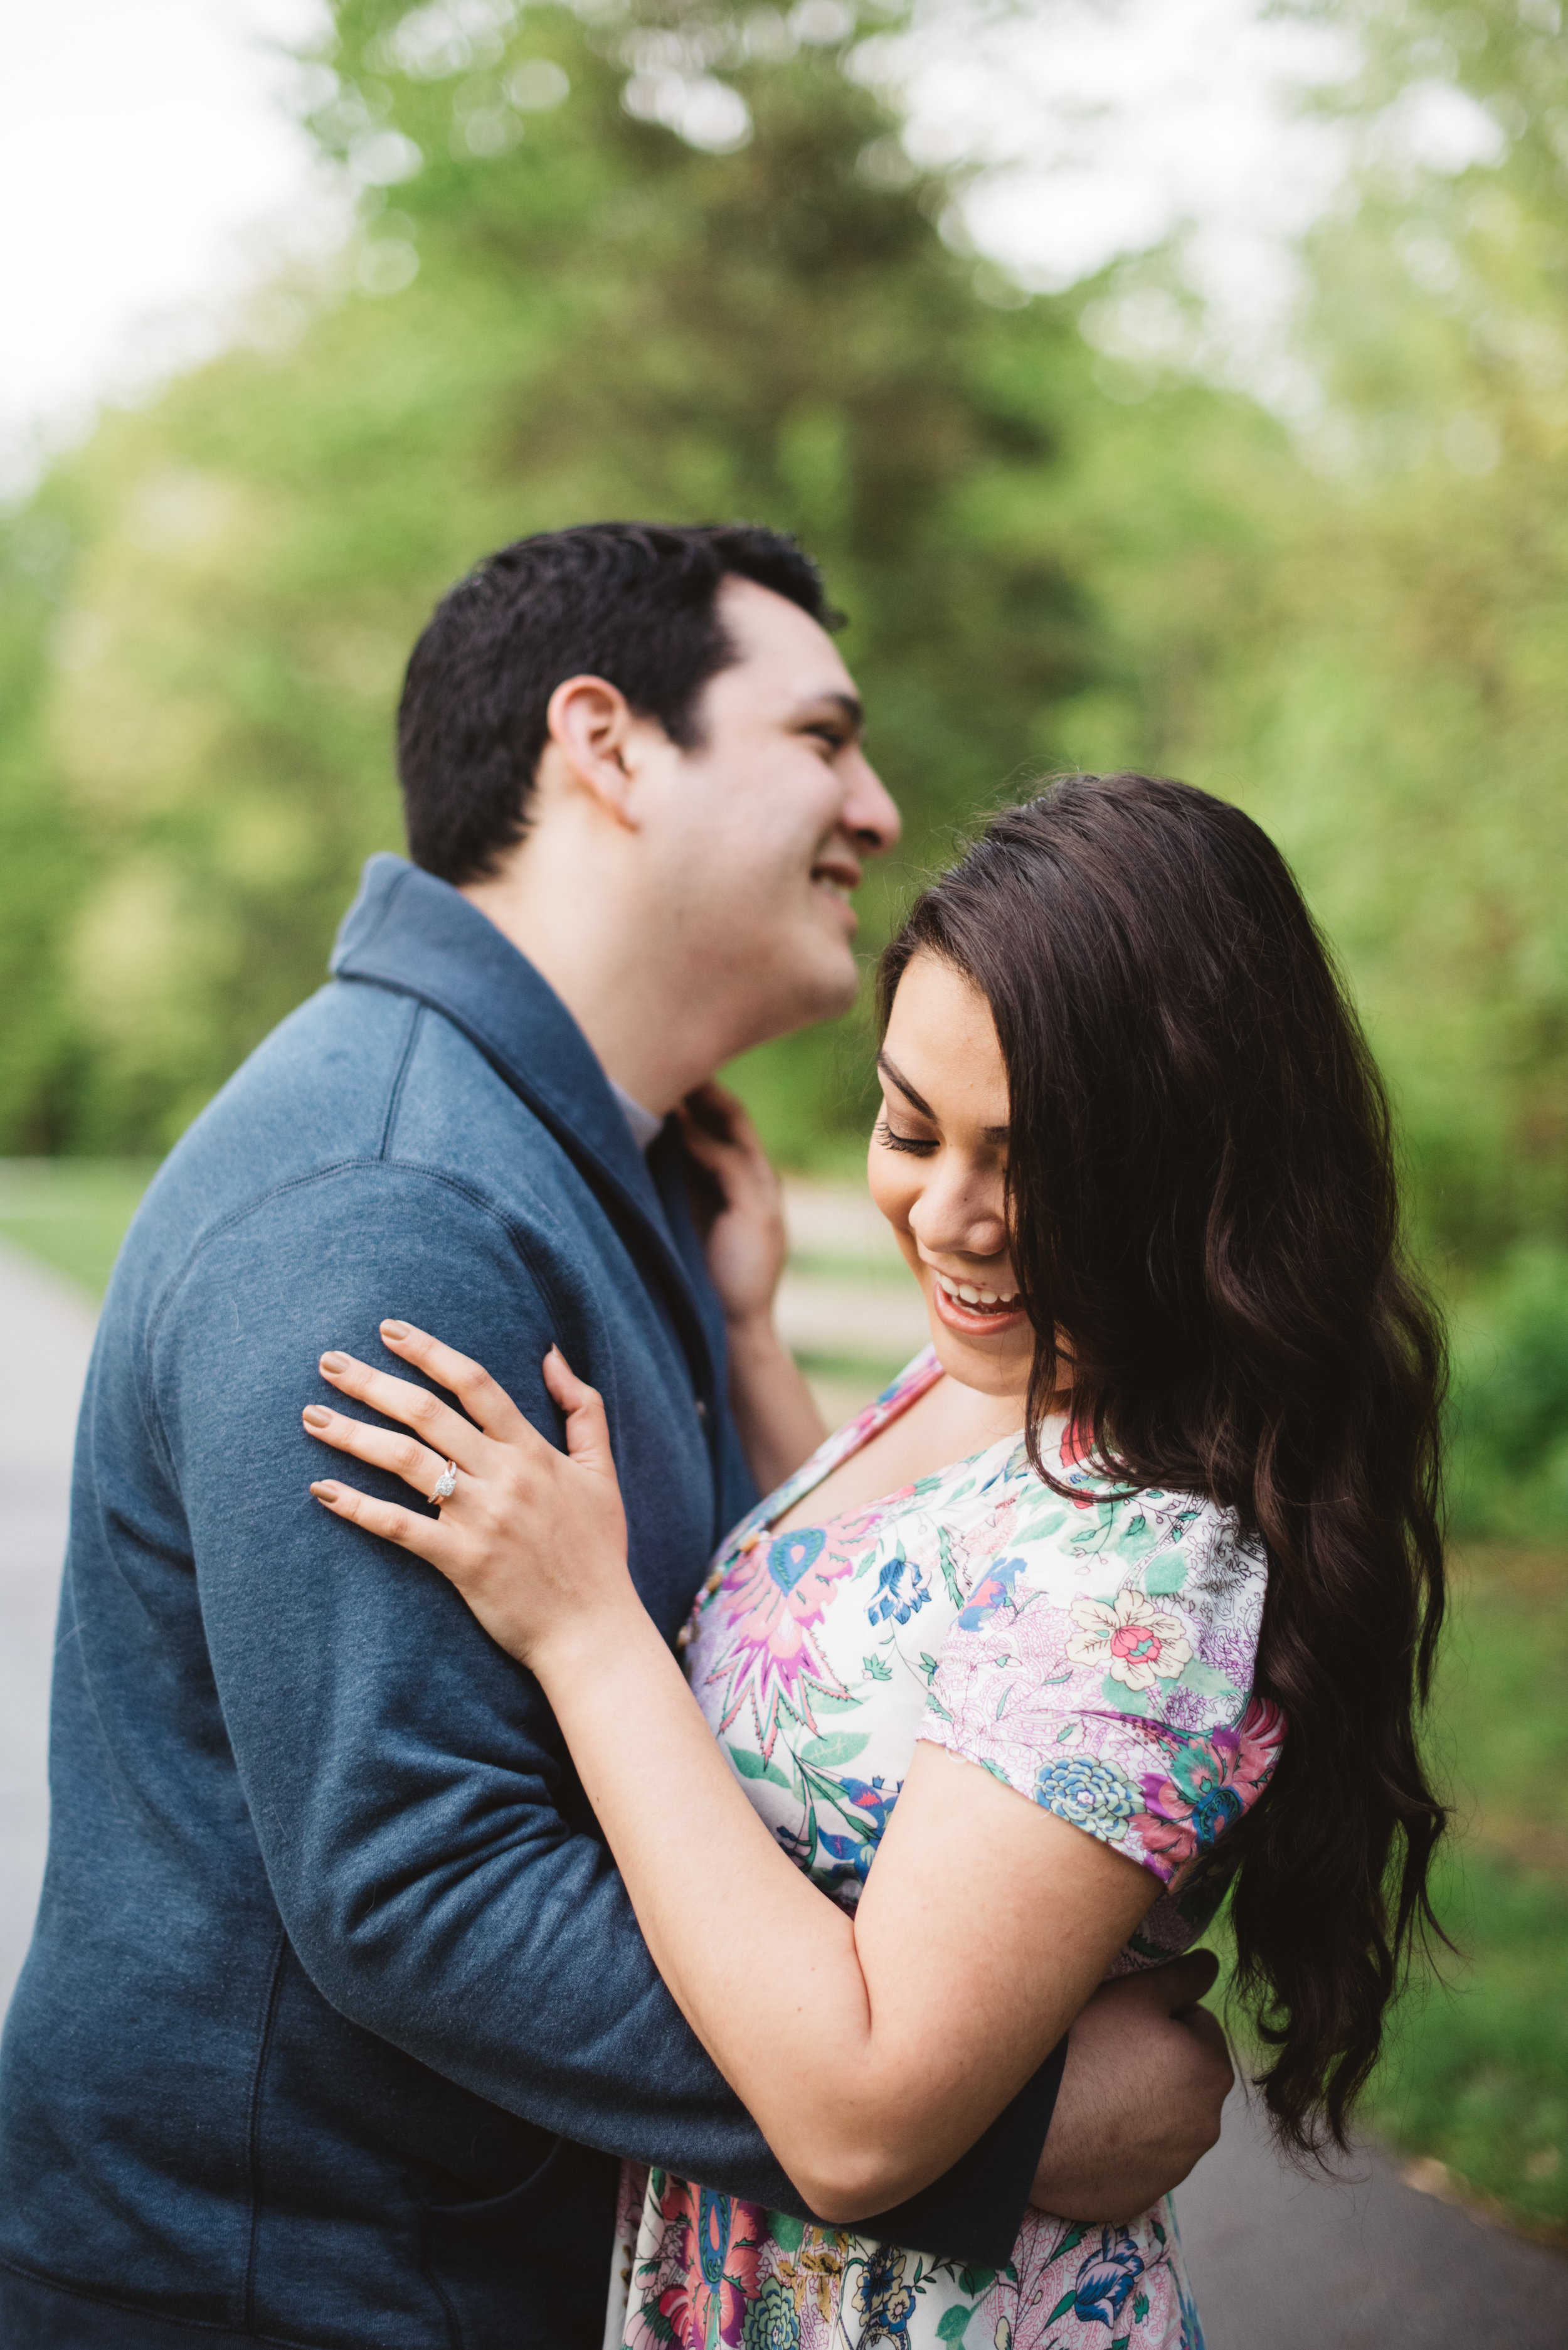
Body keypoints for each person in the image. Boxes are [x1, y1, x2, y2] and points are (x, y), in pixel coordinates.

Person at [0, 533, 1230, 2350]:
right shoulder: (393, 1202)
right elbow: (424, 1876)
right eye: (820, 735)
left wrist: (737, 1335)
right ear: (608, 745)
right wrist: (992, 2122)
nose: (878, 807)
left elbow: (765, 1640)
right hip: (271, 2297)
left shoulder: (600, 1159)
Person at [298, 773, 1451, 2349]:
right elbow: (891, 1627)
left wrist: (582, 1627)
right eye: (912, 1127)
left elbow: (857, 2117)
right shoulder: (1011, 1372)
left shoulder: (1152, 1569)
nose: (955, 1218)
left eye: (1036, 1161)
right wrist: (758, 1337)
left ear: (1204, 1167)